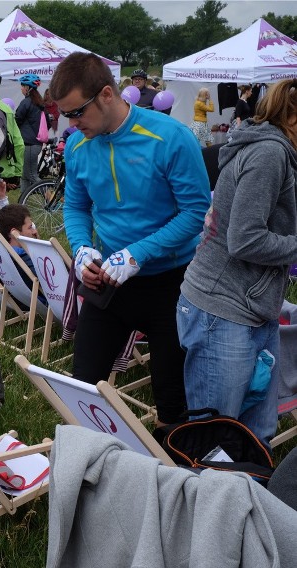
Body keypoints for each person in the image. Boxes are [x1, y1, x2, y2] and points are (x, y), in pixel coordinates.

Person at [50, 52, 210, 426]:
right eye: (65, 115)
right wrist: (82, 249)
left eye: (77, 113)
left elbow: (195, 213)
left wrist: (136, 254)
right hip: (109, 281)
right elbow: (75, 208)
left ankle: (176, 474)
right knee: (85, 387)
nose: (71, 124)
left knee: (172, 399)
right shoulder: (77, 146)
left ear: (107, 94)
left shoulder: (170, 137)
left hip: (171, 281)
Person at [177, 79, 297, 446]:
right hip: (221, 308)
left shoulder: (276, 151)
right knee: (217, 440)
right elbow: (244, 239)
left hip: (252, 305)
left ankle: (246, 501)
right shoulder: (268, 155)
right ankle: (207, 504)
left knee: (256, 434)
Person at [15, 74, 46, 193]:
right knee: (24, 175)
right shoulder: (40, 103)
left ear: (28, 88)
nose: (21, 88)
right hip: (36, 144)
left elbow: (17, 120)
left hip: (29, 144)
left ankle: (51, 197)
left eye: (22, 86)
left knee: (32, 175)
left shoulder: (26, 102)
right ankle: (23, 200)